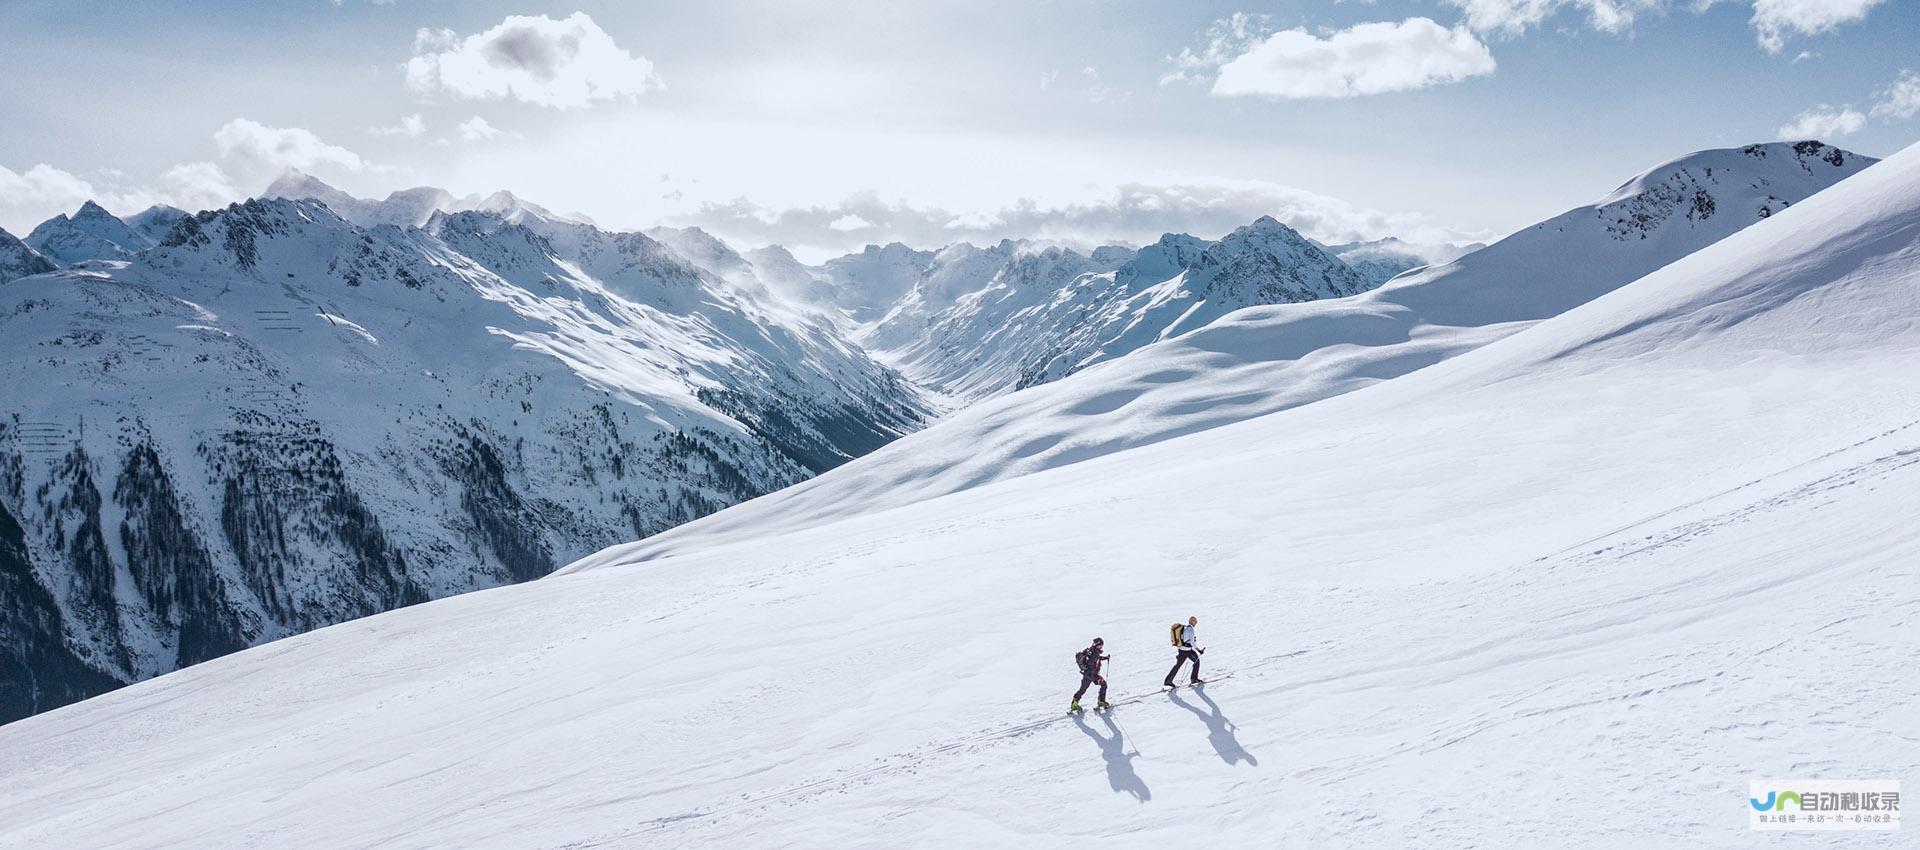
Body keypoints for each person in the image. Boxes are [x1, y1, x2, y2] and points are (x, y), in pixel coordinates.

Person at [1071, 637, 1111, 713]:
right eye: (1101, 645)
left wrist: (1105, 658)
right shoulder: (1095, 652)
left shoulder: (1090, 650)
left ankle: (1074, 704)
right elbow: (1092, 661)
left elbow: (1095, 659)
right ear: (1098, 645)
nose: (1102, 646)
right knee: (1104, 685)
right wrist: (1095, 675)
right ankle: (1101, 701)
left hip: (1086, 674)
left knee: (1082, 689)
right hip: (1092, 675)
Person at [1165, 615, 1205, 688]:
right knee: (1196, 661)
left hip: (1181, 650)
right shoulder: (1191, 630)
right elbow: (1192, 642)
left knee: (1177, 666)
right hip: (1187, 651)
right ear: (1192, 622)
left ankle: (1168, 681)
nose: (1195, 623)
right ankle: (1194, 679)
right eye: (1195, 622)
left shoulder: (1185, 628)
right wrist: (1199, 650)